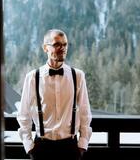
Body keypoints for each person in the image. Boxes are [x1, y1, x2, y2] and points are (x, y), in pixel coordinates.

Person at [17, 29, 92, 160]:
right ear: (45, 48)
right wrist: (29, 146)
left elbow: (85, 113)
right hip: (41, 148)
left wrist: (82, 144)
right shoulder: (33, 77)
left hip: (70, 148)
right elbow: (24, 115)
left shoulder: (78, 76)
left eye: (65, 44)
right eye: (57, 44)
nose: (62, 48)